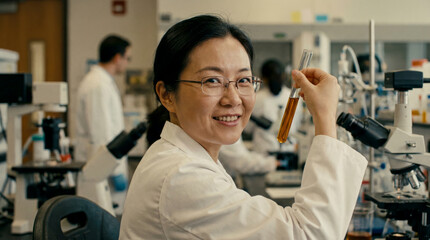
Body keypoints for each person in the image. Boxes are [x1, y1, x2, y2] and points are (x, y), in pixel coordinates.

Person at [120, 15, 367, 239]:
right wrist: (324, 115)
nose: (233, 99)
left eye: (244, 80)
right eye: (212, 80)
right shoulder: (181, 176)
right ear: (167, 95)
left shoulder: (186, 157)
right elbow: (311, 234)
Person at [75, 34, 131, 214]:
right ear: (117, 57)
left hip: (105, 165)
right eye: (127, 58)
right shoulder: (97, 84)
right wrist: (114, 172)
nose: (127, 63)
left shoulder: (102, 82)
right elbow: (101, 133)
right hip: (101, 168)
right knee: (101, 219)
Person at [246, 58, 303, 154]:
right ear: (284, 75)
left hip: (264, 155)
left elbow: (247, 129)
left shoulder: (256, 99)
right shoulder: (294, 96)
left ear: (263, 78)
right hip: (288, 154)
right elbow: (297, 125)